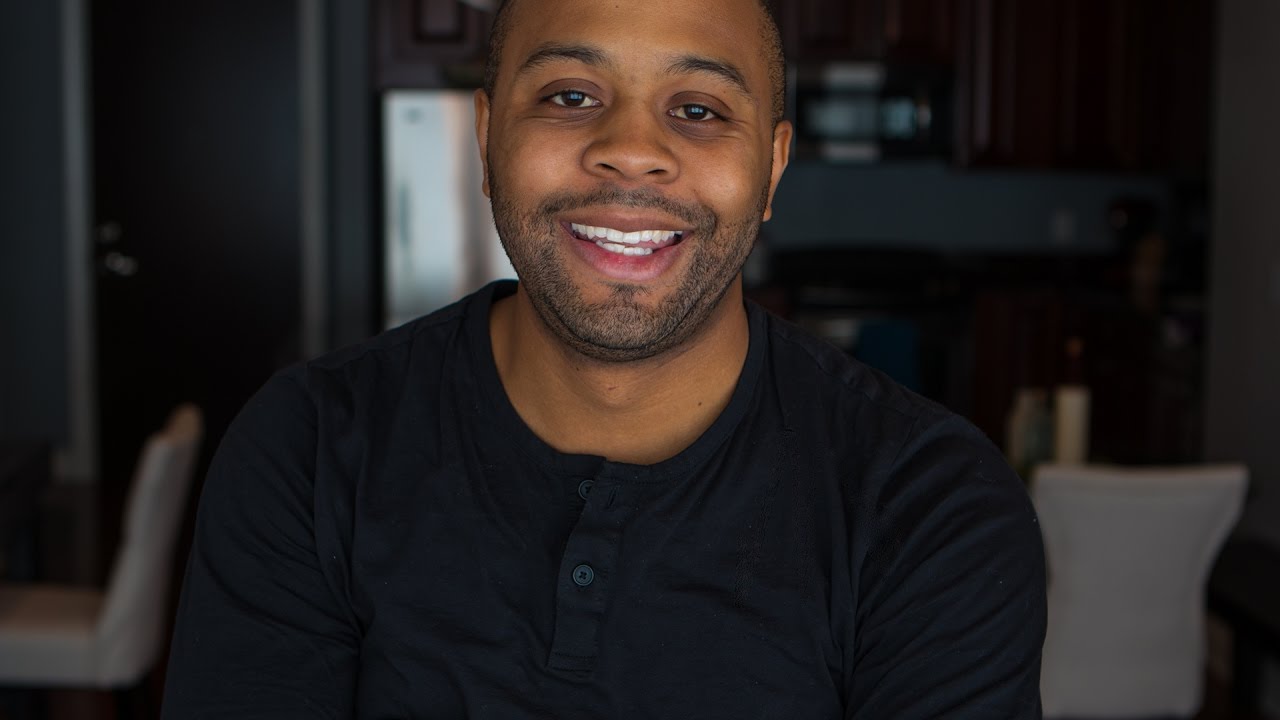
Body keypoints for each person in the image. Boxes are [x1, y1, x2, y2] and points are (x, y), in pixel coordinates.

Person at [162, 0, 1046, 716]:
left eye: (698, 110)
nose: (630, 151)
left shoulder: (932, 507)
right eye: (570, 96)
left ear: (771, 168)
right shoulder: (308, 448)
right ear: (487, 137)